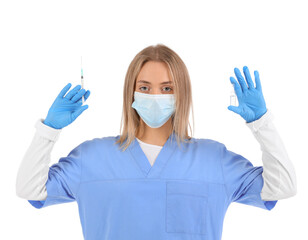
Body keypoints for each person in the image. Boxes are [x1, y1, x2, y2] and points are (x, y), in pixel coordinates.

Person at [16, 44, 297, 240]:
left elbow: (282, 187)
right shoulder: (91, 158)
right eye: (144, 87)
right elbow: (29, 188)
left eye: (167, 88)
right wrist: (48, 130)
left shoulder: (215, 160)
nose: (155, 96)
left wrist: (262, 123)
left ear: (182, 94)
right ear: (131, 93)